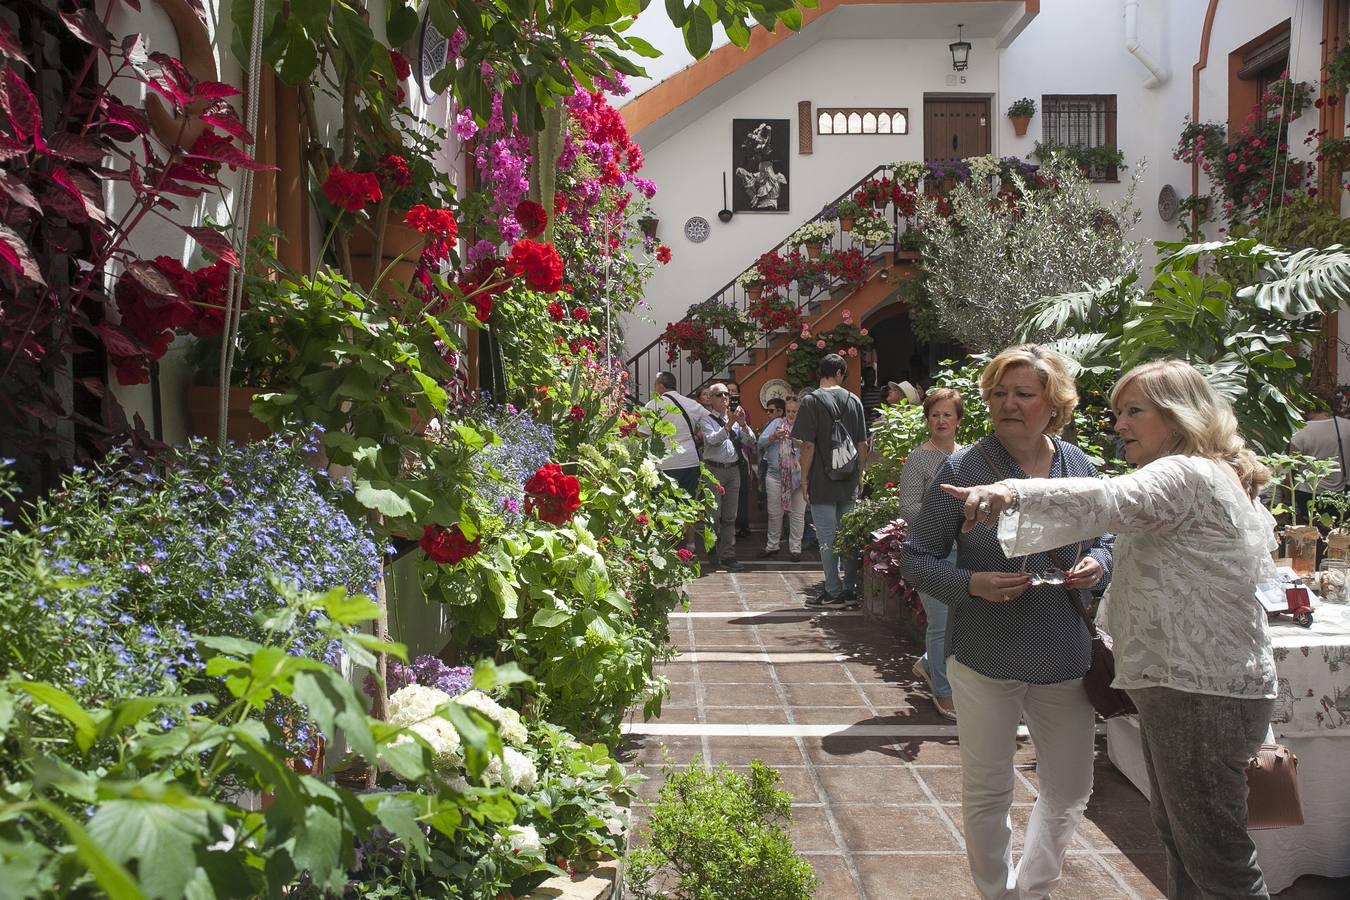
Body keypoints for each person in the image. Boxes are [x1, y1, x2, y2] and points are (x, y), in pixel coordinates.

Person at [946, 359, 1279, 900]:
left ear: (1177, 417)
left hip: (1196, 689)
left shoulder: (1184, 472)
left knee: (1217, 860)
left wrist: (1011, 492)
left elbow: (1107, 503)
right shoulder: (1205, 469)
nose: (1119, 424)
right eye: (1117, 411)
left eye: (1134, 411)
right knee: (1183, 839)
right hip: (1188, 684)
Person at [900, 344, 1113, 900]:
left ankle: (1035, 887)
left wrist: (1100, 564)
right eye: (998, 393)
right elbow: (917, 557)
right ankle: (997, 892)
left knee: (1069, 788)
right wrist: (971, 584)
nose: (1007, 404)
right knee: (989, 790)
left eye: (1023, 393)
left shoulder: (1079, 466)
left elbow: (1108, 535)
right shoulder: (964, 468)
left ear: (1054, 403)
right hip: (985, 655)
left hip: (1064, 654)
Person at [898, 387, 964, 720]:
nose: (941, 420)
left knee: (958, 623)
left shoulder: (968, 457)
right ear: (927, 419)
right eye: (935, 414)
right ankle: (943, 691)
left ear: (958, 420)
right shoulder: (918, 457)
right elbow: (908, 507)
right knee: (940, 624)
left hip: (964, 552)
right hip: (929, 552)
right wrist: (945, 521)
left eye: (947, 414)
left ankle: (927, 663)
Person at [793, 354, 869, 608]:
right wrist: (859, 475)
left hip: (821, 479)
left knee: (827, 537)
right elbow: (862, 444)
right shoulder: (855, 401)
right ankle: (849, 590)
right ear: (839, 374)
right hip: (848, 478)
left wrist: (804, 479)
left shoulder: (811, 401)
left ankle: (833, 591)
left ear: (822, 373)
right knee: (847, 536)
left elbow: (808, 446)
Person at [700, 382, 754, 573]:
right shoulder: (706, 420)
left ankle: (728, 555)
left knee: (730, 516)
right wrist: (730, 424)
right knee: (713, 515)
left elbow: (752, 442)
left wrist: (743, 425)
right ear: (711, 399)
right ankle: (712, 549)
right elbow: (712, 440)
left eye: (726, 395)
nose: (724, 397)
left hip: (733, 470)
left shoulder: (736, 418)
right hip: (714, 470)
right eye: (719, 394)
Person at [643, 371, 708, 499]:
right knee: (687, 504)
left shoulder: (653, 404)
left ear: (660, 386)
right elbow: (710, 422)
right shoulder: (691, 403)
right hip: (690, 461)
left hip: (665, 463)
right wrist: (698, 436)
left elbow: (643, 433)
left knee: (664, 506)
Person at [1290, 388, 1350, 518]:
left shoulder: (1300, 431)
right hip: (1342, 494)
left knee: (1310, 533)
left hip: (1307, 493)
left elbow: (1291, 468)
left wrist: (1289, 499)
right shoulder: (1347, 426)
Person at [758, 396, 805, 561]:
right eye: (789, 411)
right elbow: (761, 442)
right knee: (774, 514)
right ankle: (772, 546)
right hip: (775, 476)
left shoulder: (806, 425)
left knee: (797, 515)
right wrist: (773, 437)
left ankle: (795, 549)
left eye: (795, 411)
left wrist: (795, 439)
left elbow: (810, 446)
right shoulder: (776, 423)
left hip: (798, 479)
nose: (791, 415)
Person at [727, 380, 755, 539]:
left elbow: (749, 439)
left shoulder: (744, 413)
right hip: (726, 458)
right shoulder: (721, 414)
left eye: (733, 391)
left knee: (742, 492)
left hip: (741, 457)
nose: (731, 394)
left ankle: (743, 524)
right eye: (728, 391)